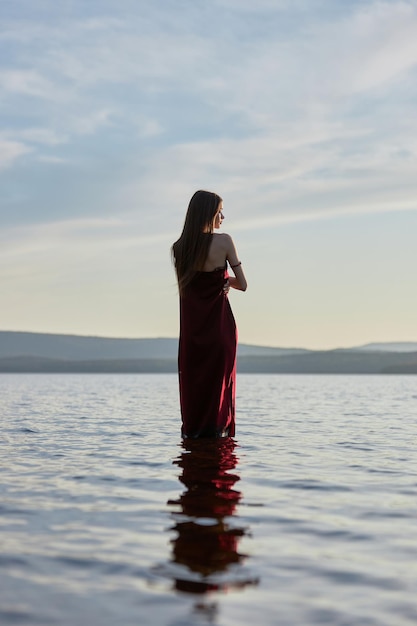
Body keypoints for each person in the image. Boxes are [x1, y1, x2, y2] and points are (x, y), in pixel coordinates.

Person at [172, 190, 247, 438]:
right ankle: (219, 445)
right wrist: (226, 279)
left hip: (193, 333)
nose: (223, 217)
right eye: (219, 211)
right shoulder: (224, 241)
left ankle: (194, 449)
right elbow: (243, 284)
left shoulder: (179, 248)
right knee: (220, 389)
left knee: (196, 387)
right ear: (209, 213)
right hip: (219, 328)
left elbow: (189, 289)